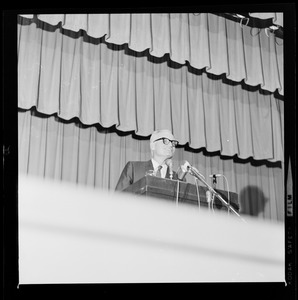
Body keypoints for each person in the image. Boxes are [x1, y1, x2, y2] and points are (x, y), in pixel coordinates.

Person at [115, 129, 184, 191]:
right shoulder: (134, 168)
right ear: (152, 145)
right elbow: (119, 199)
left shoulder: (178, 178)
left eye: (173, 143)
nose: (171, 145)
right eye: (165, 141)